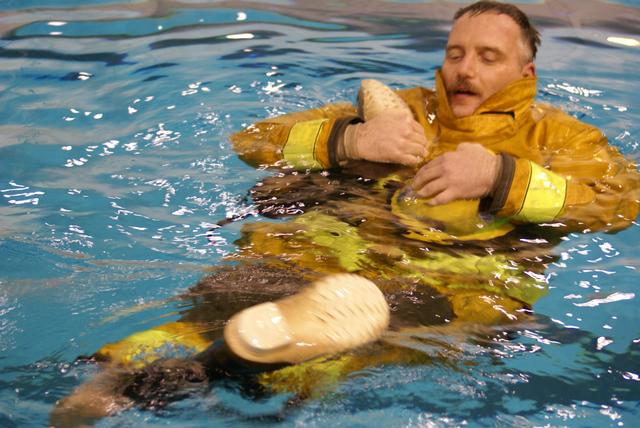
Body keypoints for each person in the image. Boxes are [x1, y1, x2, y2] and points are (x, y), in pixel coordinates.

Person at [51, 1, 640, 426]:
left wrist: (498, 178)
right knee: (236, 300)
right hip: (322, 249)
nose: (465, 69)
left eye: (488, 57)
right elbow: (254, 141)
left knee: (366, 328)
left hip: (448, 276)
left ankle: (200, 372)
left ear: (525, 72)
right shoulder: (402, 112)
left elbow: (621, 201)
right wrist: (350, 142)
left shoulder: (563, 137)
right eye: (456, 52)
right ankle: (121, 379)